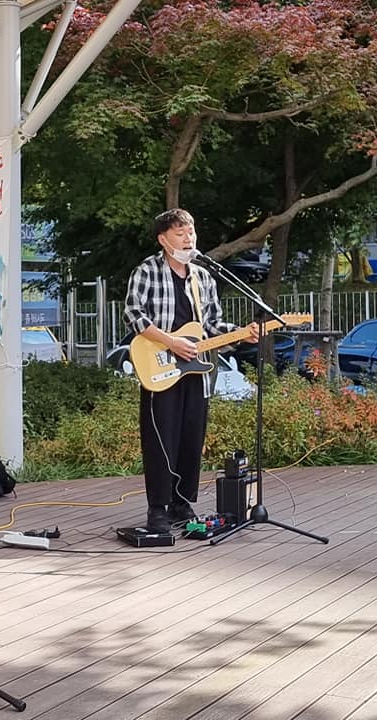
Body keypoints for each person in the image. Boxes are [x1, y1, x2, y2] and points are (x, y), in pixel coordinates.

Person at [124, 209, 259, 533]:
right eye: (180, 233)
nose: (188, 238)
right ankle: (158, 507)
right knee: (161, 439)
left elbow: (211, 325)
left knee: (190, 436)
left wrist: (242, 333)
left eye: (191, 232)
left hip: (195, 371)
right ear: (163, 239)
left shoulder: (203, 277)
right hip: (159, 365)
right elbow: (132, 314)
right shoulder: (147, 271)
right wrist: (171, 342)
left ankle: (181, 503)